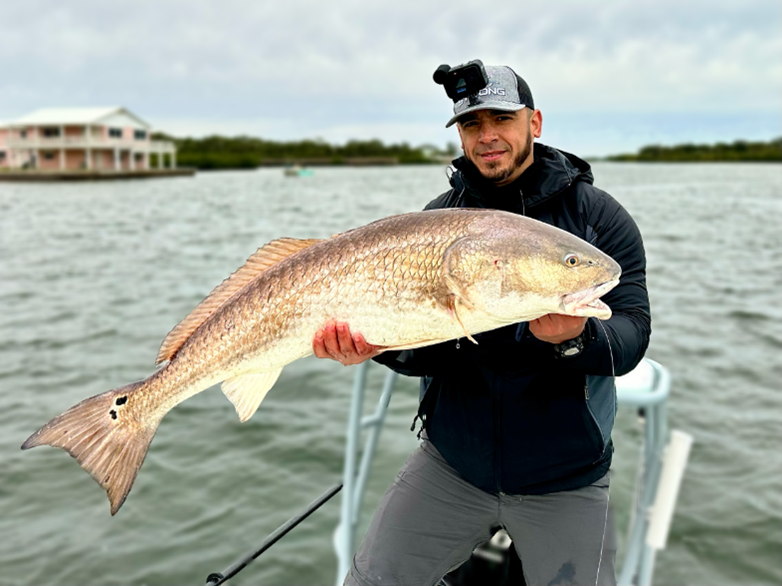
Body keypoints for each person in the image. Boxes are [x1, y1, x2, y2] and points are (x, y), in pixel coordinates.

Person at [313, 64, 651, 586]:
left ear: (534, 122)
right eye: (472, 125)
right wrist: (373, 345)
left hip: (566, 477)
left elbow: (632, 335)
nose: (487, 136)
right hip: (452, 464)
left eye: (502, 119)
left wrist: (575, 338)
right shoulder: (436, 219)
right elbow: (424, 354)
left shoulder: (597, 221)